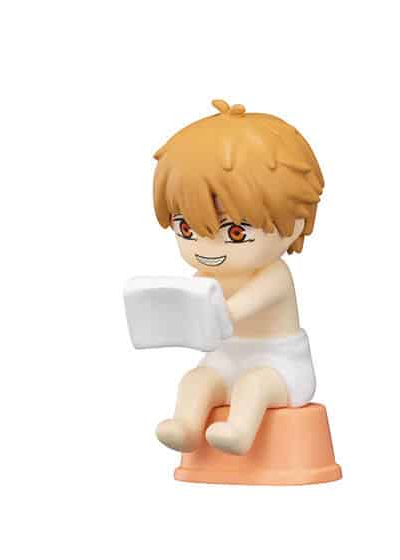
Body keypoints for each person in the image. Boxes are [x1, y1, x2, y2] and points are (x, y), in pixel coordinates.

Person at [153, 99, 324, 455]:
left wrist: (198, 314)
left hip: (279, 365)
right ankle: (185, 428)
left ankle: (239, 434)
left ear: (294, 223)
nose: (205, 247)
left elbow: (230, 312)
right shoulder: (204, 274)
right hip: (227, 359)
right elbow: (200, 324)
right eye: (187, 228)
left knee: (252, 387)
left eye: (234, 233)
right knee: (195, 380)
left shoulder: (274, 276)